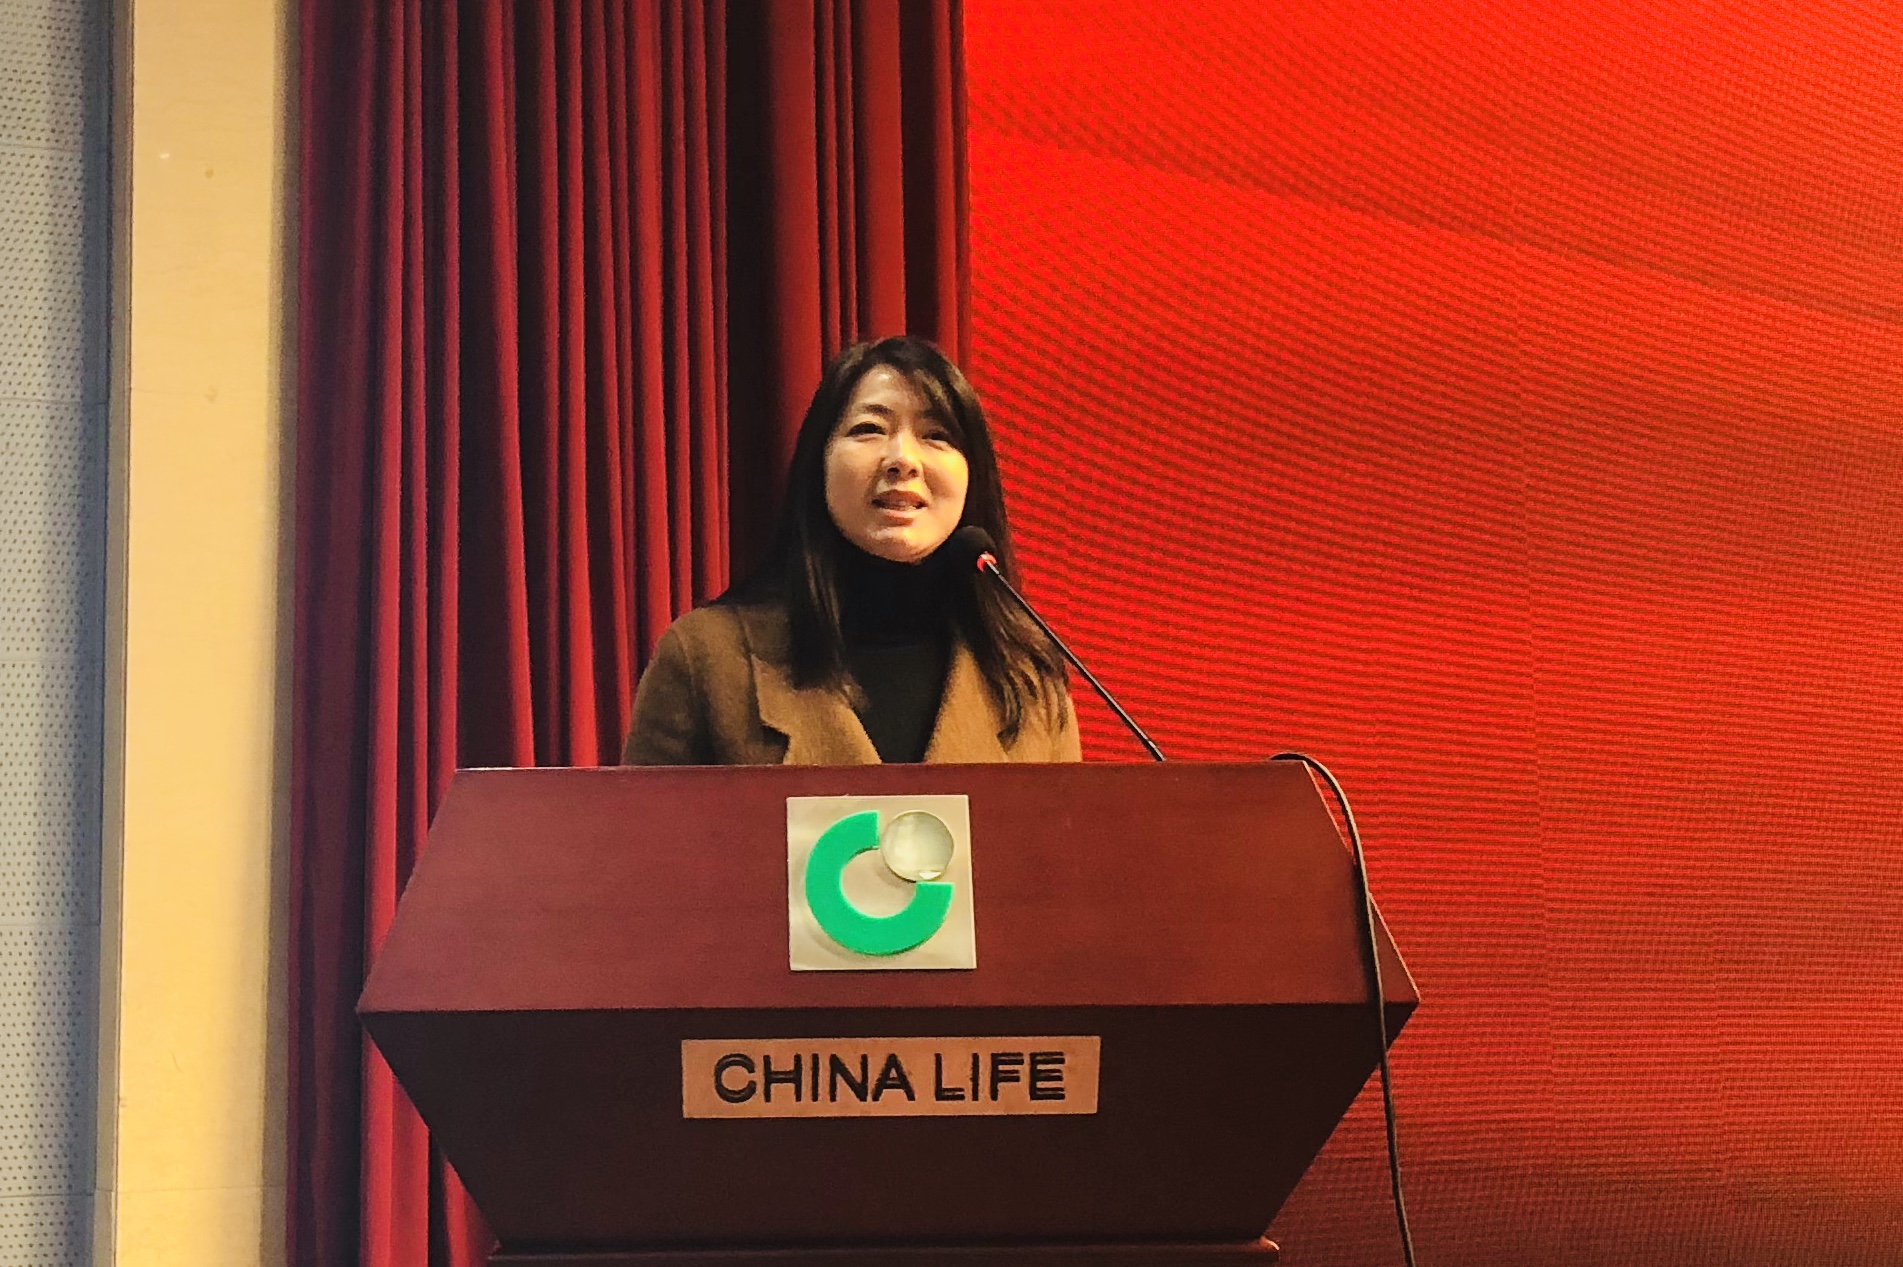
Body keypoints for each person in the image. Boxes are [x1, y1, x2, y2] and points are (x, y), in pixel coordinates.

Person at [621, 335, 1079, 765]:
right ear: (818, 463)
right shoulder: (705, 659)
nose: (903, 459)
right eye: (869, 428)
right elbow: (643, 827)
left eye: (936, 435)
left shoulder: (1029, 681)